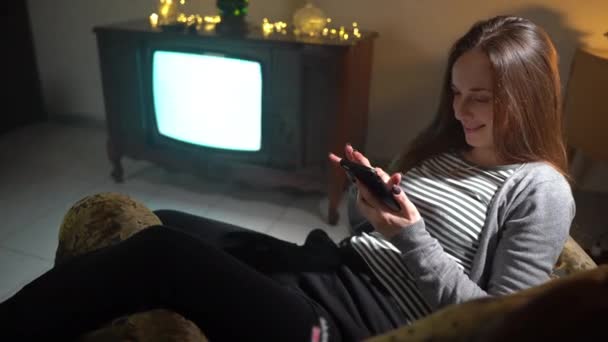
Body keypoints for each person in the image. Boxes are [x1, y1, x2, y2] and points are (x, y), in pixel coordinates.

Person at [0, 15, 574, 341]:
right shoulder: (449, 147)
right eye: (455, 92)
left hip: (354, 324)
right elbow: (370, 235)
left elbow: (501, 326)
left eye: (481, 98)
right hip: (328, 269)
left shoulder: (540, 189)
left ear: (526, 99)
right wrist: (367, 200)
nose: (459, 110)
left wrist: (412, 237)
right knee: (165, 221)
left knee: (161, 254)